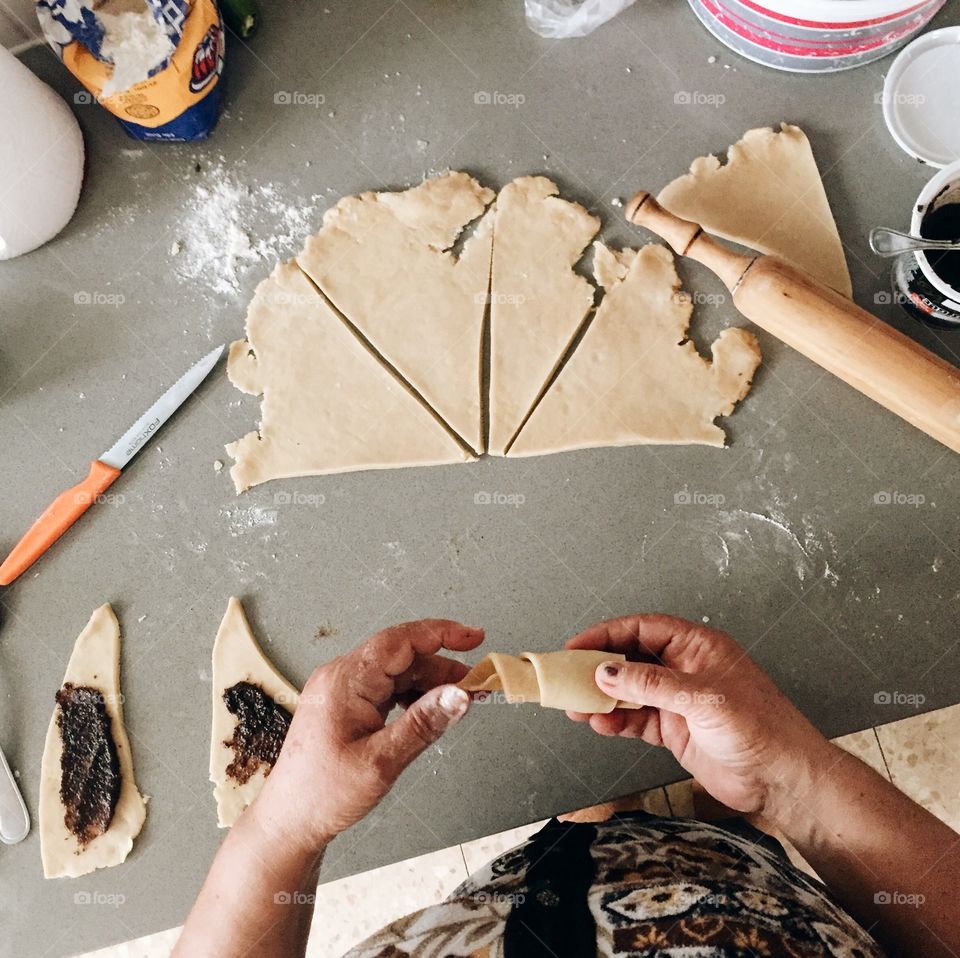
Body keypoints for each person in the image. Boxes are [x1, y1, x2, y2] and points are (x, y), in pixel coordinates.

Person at [173, 615, 960, 957]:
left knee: (574, 849)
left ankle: (602, 835)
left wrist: (283, 831)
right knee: (682, 852)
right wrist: (791, 784)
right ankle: (676, 839)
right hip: (749, 910)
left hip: (502, 917)